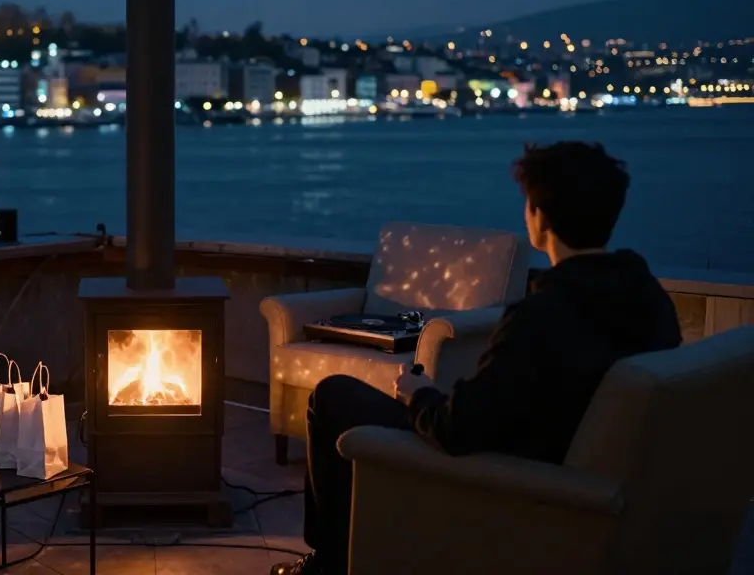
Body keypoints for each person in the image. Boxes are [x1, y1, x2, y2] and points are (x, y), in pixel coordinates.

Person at [272, 141, 681, 575]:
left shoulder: (541, 316)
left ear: (538, 217)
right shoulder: (649, 300)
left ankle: (330, 564)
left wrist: (419, 394)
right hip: (576, 467)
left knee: (333, 396)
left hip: (510, 476)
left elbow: (457, 430)